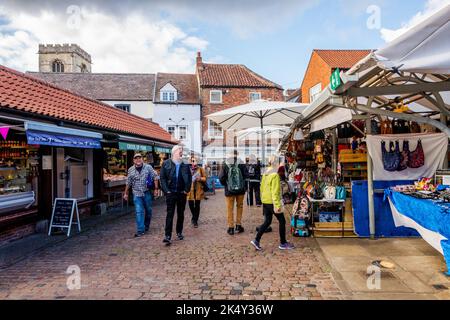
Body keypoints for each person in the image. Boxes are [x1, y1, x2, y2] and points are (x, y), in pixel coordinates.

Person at [251, 154, 295, 251]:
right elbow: (275, 191)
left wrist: (262, 199)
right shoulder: (275, 174)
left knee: (267, 221)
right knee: (282, 221)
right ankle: (283, 243)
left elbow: (261, 187)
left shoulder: (266, 172)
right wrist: (277, 204)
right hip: (272, 201)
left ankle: (256, 240)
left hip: (266, 201)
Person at [160, 145, 192, 246]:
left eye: (182, 151)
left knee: (181, 214)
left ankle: (179, 232)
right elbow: (163, 178)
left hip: (181, 193)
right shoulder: (166, 163)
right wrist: (166, 191)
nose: (181, 153)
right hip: (171, 193)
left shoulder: (185, 164)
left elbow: (189, 178)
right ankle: (167, 235)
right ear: (174, 152)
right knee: (170, 214)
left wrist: (186, 190)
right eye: (180, 151)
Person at [123, 153, 160, 238]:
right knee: (139, 211)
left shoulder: (148, 167)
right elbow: (128, 182)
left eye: (139, 158)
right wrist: (125, 193)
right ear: (133, 160)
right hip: (136, 194)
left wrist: (156, 189)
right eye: (136, 158)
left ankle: (146, 226)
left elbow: (155, 177)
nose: (138, 160)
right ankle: (140, 230)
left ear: (142, 159)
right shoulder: (130, 170)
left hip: (146, 192)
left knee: (148, 211)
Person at [219, 150, 248, 235]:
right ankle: (238, 226)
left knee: (230, 209)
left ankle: (231, 227)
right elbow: (246, 176)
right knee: (240, 207)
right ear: (237, 155)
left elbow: (221, 177)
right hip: (240, 190)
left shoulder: (225, 164)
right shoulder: (241, 163)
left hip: (229, 191)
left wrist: (226, 185)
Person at [187, 156, 207, 228]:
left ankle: (195, 220)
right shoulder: (187, 169)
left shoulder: (201, 169)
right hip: (190, 190)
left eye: (195, 161)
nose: (194, 162)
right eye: (192, 161)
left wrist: (200, 178)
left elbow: (205, 178)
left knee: (197, 205)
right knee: (191, 205)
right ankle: (194, 216)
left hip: (198, 189)